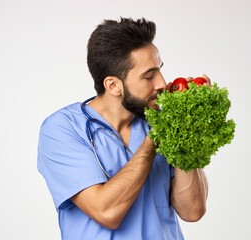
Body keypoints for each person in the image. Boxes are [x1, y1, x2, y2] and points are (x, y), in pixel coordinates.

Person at [37, 17, 209, 240]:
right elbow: (106, 212)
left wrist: (185, 129)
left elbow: (192, 211)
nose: (162, 83)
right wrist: (154, 139)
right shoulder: (62, 129)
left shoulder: (159, 119)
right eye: (149, 76)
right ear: (113, 85)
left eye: (160, 71)